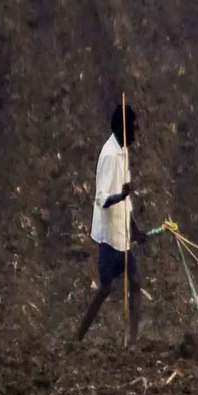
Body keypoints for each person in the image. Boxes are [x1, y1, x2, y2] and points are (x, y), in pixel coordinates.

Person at [75, 104, 147, 346]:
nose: (138, 130)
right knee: (105, 288)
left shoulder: (123, 151)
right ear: (124, 128)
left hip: (122, 235)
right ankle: (77, 337)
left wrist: (135, 230)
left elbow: (126, 202)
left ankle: (131, 342)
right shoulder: (109, 155)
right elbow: (102, 199)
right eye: (134, 126)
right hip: (108, 237)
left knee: (135, 282)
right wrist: (121, 195)